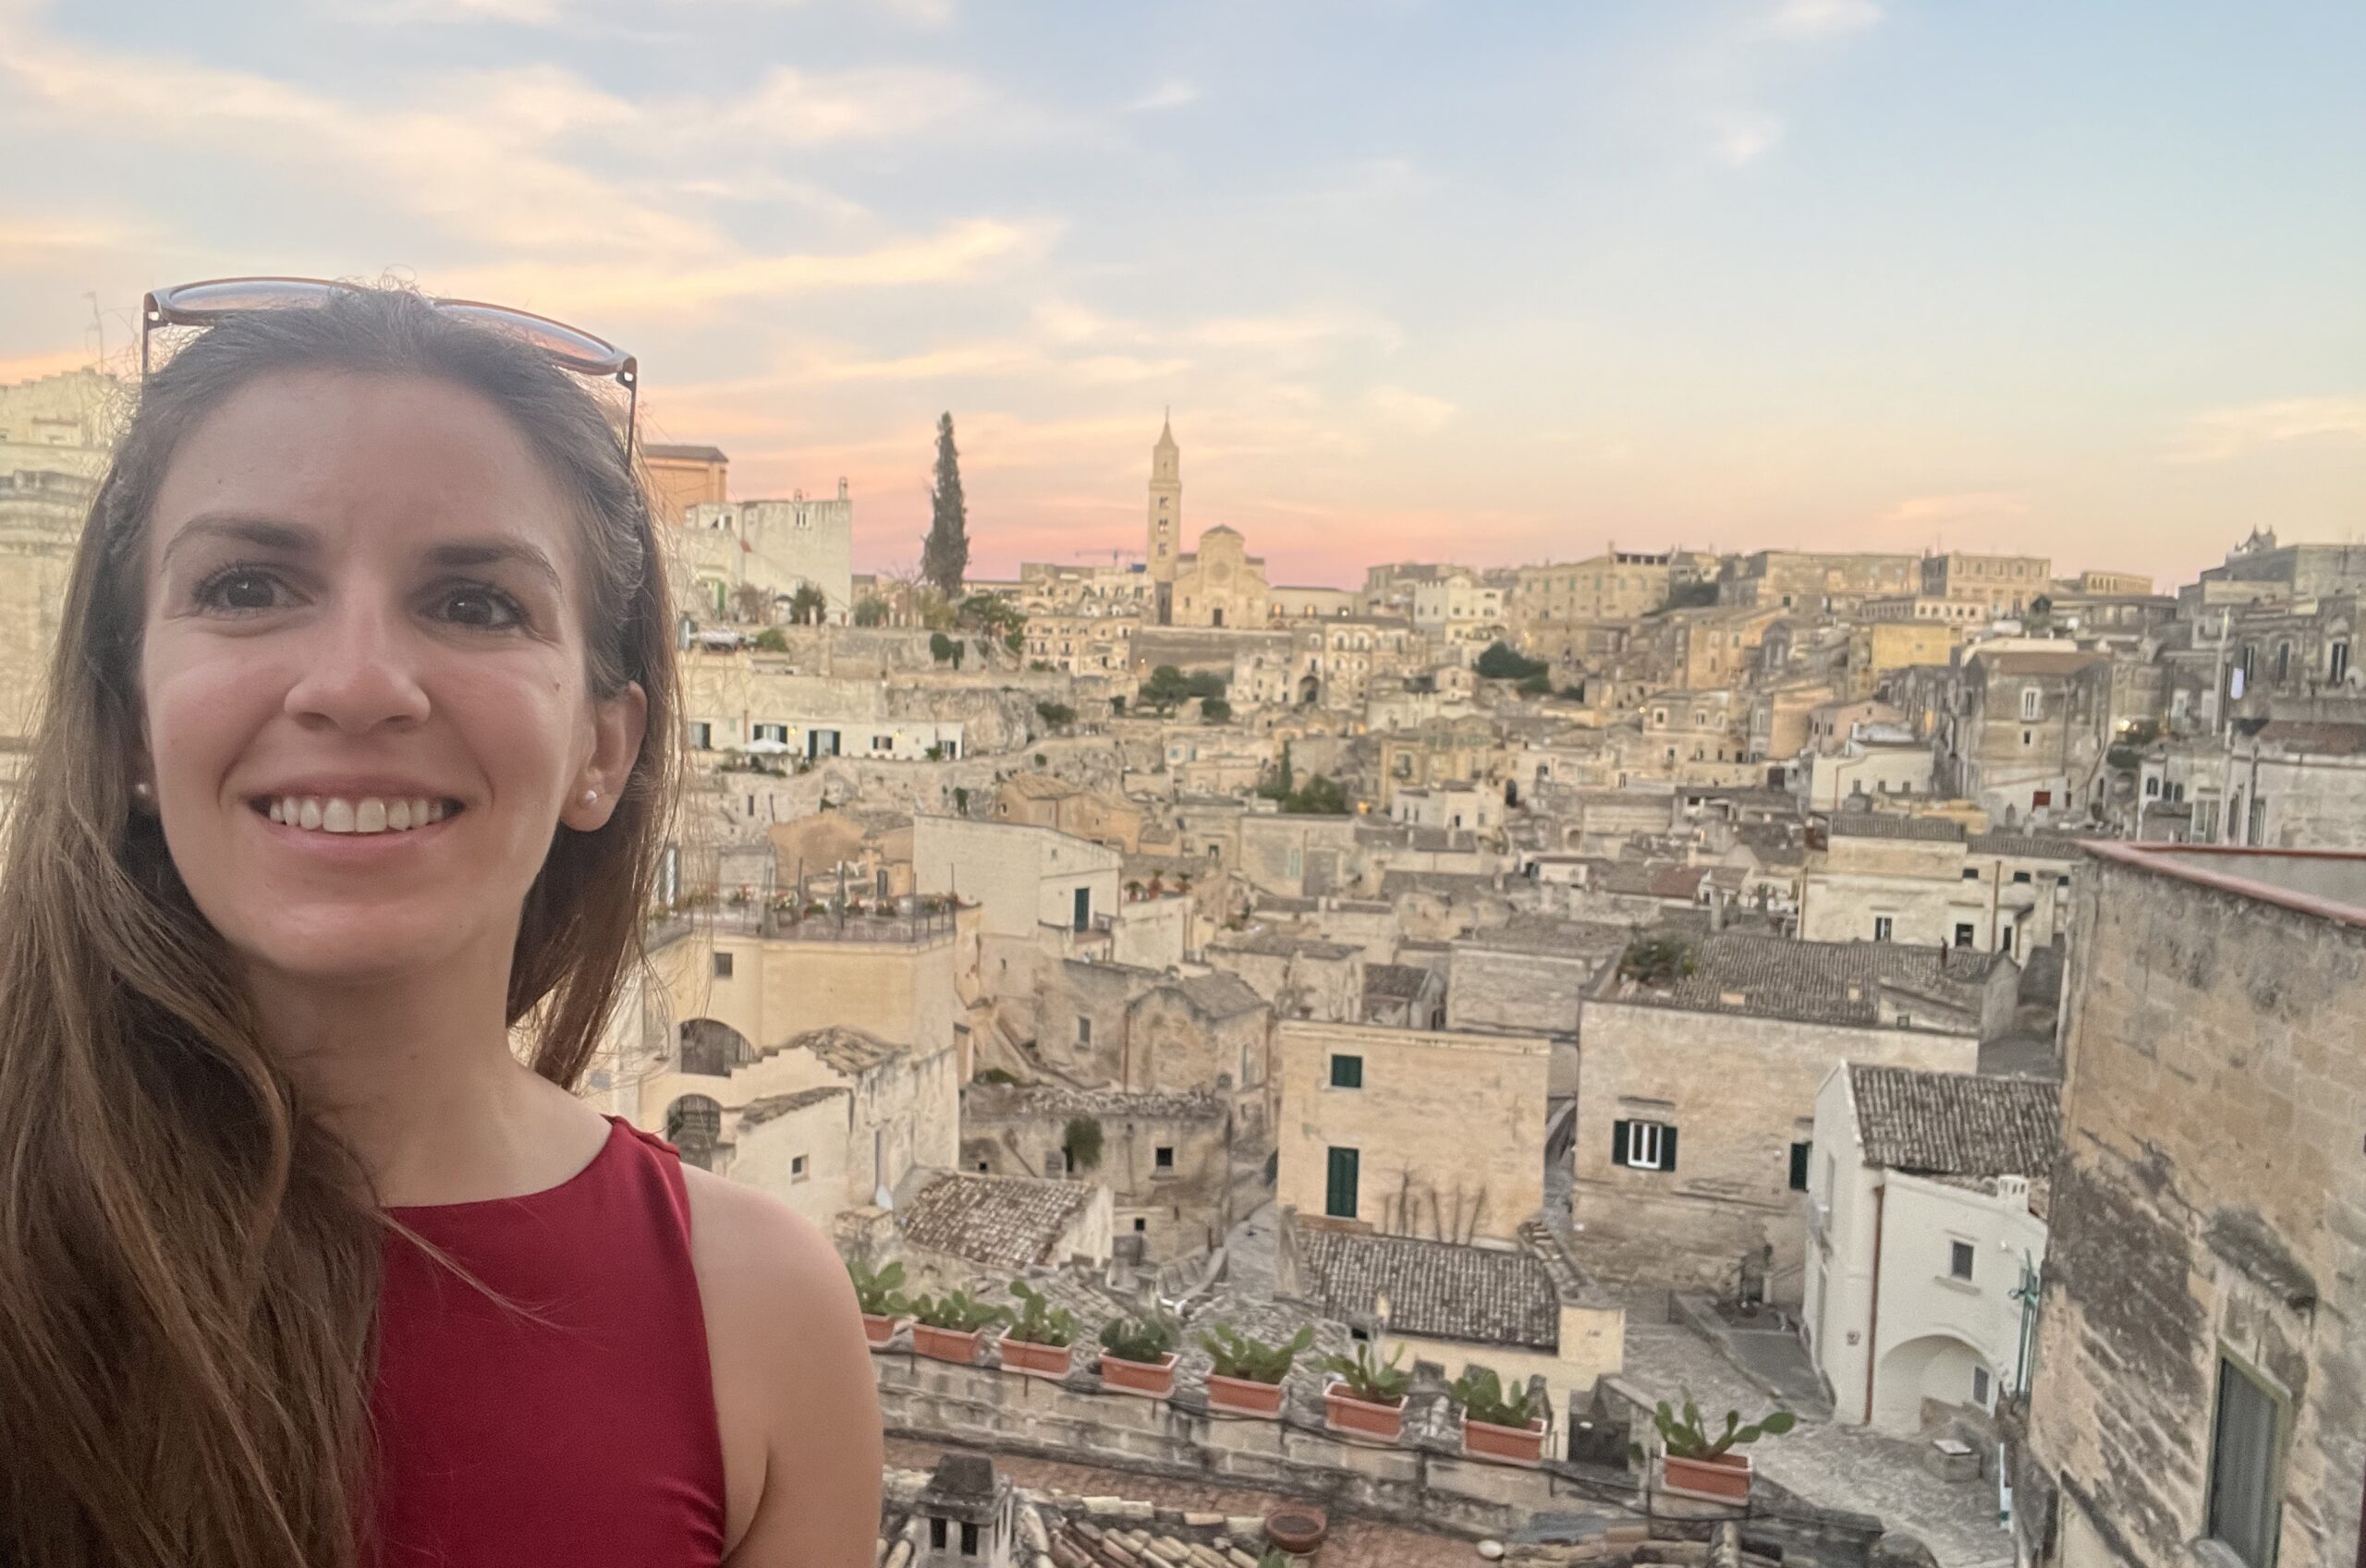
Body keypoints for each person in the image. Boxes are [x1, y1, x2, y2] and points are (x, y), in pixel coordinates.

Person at [0, 282, 884, 1566]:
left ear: (602, 748)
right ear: (131, 719)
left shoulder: (762, 1323)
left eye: (474, 603)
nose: (358, 682)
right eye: (248, 585)